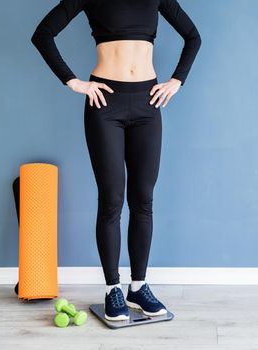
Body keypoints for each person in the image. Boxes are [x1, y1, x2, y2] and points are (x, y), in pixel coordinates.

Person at [30, 0, 201, 321]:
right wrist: (73, 81)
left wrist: (177, 80)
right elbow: (43, 34)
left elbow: (193, 36)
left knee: (143, 200)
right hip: (105, 104)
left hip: (148, 104)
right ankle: (112, 289)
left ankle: (138, 286)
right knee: (111, 199)